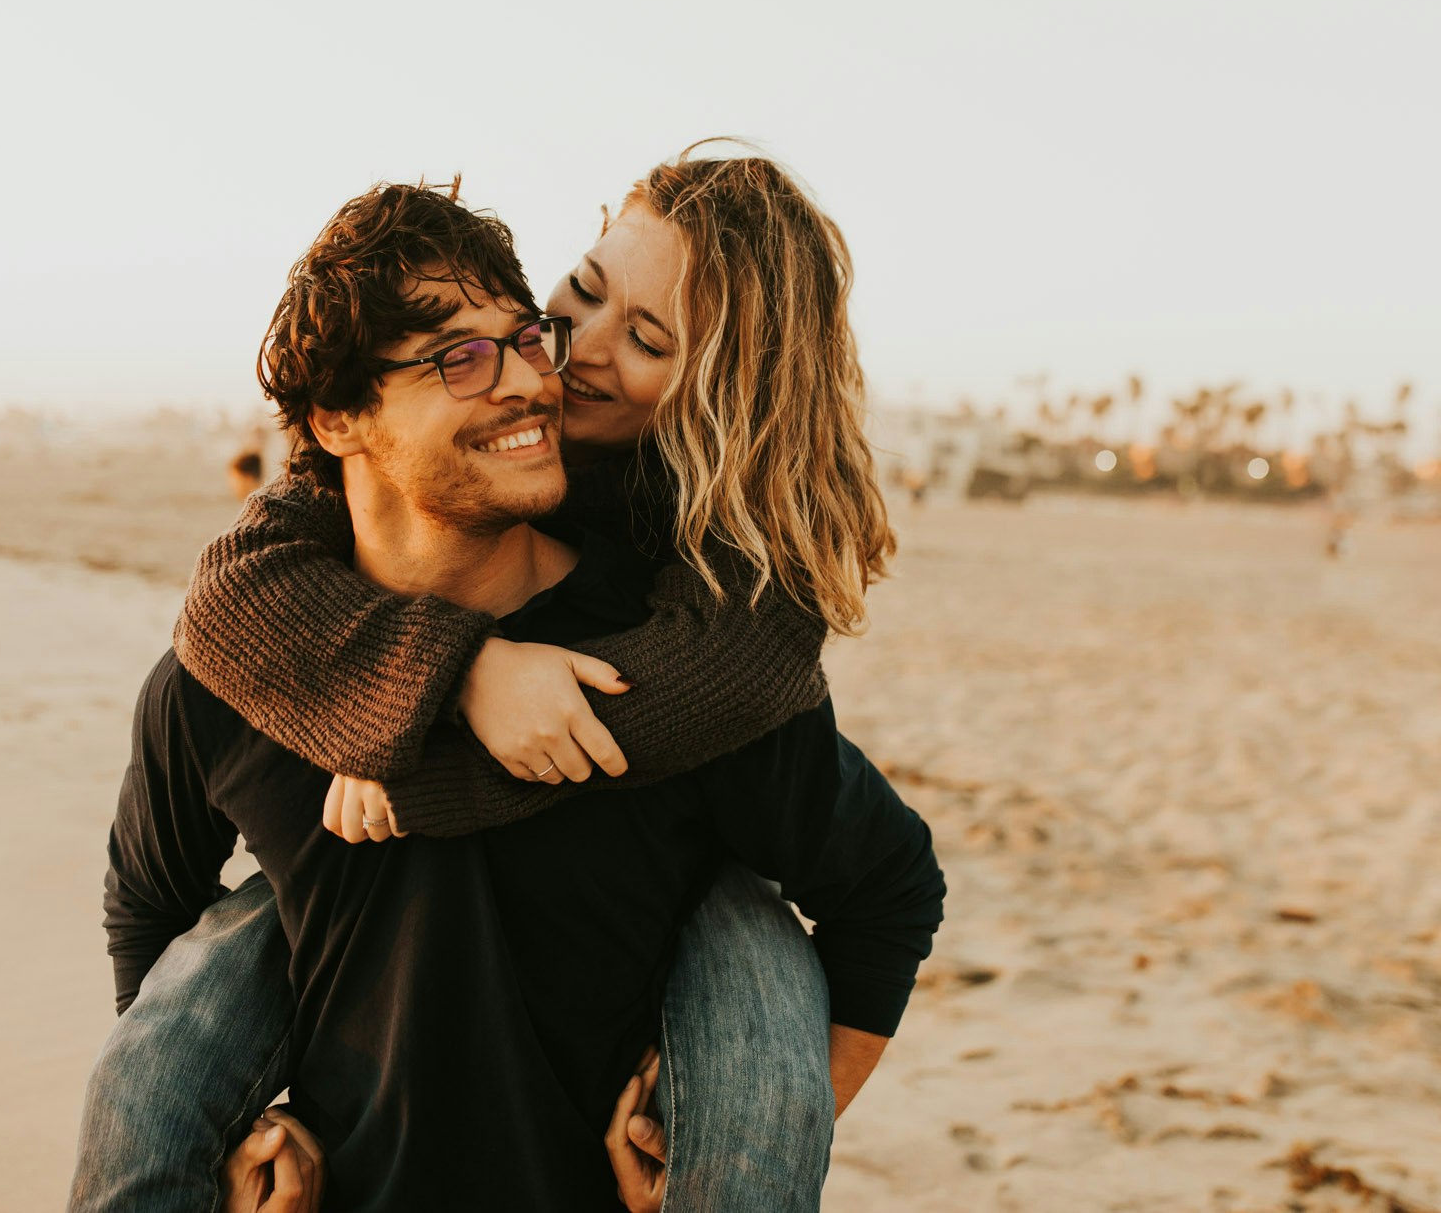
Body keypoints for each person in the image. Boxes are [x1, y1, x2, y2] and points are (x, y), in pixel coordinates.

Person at [72, 153, 925, 1211]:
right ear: (337, 419)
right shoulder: (250, 664)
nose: (545, 370)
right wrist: (232, 1140)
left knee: (745, 925)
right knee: (238, 935)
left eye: (524, 340)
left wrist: (733, 1147)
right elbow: (153, 919)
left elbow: (886, 890)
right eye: (462, 359)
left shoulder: (690, 647)